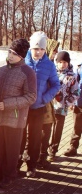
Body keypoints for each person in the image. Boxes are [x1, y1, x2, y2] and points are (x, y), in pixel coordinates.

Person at [0, 39, 36, 188]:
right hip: (0, 116)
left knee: (12, 149)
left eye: (15, 54)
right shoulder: (2, 69)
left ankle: (9, 175)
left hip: (15, 118)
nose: (10, 55)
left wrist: (8, 104)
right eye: (10, 52)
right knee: (0, 146)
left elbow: (31, 97)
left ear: (22, 56)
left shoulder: (28, 72)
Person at [19, 31, 60, 178]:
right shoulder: (22, 62)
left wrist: (44, 98)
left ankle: (32, 165)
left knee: (35, 138)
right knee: (20, 136)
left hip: (38, 107)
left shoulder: (49, 65)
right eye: (36, 48)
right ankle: (17, 163)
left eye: (42, 49)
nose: (39, 52)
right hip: (22, 107)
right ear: (31, 48)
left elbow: (56, 85)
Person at [48, 51, 79, 161]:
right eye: (60, 62)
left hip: (61, 107)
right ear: (57, 62)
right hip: (48, 106)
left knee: (57, 129)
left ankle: (53, 150)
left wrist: (68, 102)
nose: (62, 64)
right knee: (46, 128)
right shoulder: (52, 73)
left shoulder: (72, 76)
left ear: (68, 62)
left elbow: (76, 92)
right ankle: (43, 149)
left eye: (65, 62)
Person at [37, 38, 59, 169]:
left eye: (56, 51)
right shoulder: (43, 65)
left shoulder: (50, 65)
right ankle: (36, 157)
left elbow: (55, 85)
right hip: (40, 105)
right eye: (54, 51)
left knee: (46, 131)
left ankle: (42, 157)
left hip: (47, 104)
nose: (55, 54)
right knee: (38, 132)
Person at [64, 63, 82, 156]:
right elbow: (75, 86)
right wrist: (73, 102)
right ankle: (73, 147)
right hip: (80, 102)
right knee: (76, 126)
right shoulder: (79, 68)